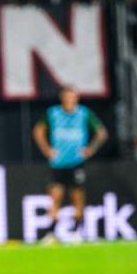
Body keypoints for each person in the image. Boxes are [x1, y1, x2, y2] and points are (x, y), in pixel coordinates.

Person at [33, 85, 108, 244]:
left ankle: (77, 232)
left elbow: (102, 133)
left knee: (77, 198)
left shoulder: (84, 113)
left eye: (73, 97)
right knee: (55, 197)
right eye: (68, 96)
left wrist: (90, 149)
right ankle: (51, 234)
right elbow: (38, 131)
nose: (71, 100)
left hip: (76, 162)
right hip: (57, 163)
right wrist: (46, 149)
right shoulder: (53, 113)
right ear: (62, 98)